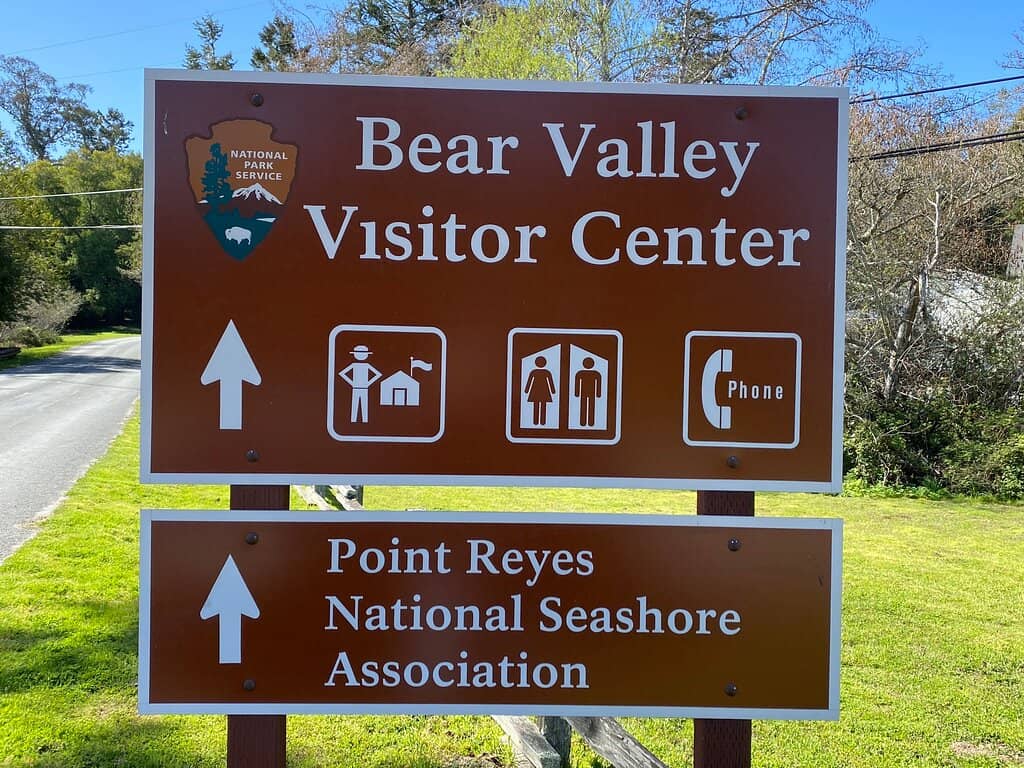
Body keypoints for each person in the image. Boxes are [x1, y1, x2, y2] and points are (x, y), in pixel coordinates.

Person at [339, 344, 382, 423]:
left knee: (364, 404)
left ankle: (365, 420)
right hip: (355, 388)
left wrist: (368, 383)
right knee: (355, 404)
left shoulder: (367, 365)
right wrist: (351, 382)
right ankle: (353, 420)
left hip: (364, 388)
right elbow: (342, 373)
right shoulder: (354, 365)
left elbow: (378, 374)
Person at [524, 356, 556, 426]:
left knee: (539, 405)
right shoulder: (545, 372)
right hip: (542, 391)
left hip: (538, 391)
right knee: (541, 406)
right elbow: (530, 381)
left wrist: (527, 390)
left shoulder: (536, 372)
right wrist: (553, 391)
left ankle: (539, 422)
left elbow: (550, 381)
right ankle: (541, 422)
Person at [574, 357, 602, 427]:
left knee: (590, 406)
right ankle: (583, 422)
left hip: (590, 393)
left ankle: (590, 422)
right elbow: (577, 383)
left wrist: (598, 393)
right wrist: (577, 393)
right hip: (585, 393)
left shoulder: (596, 374)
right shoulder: (580, 373)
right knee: (584, 406)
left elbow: (598, 384)